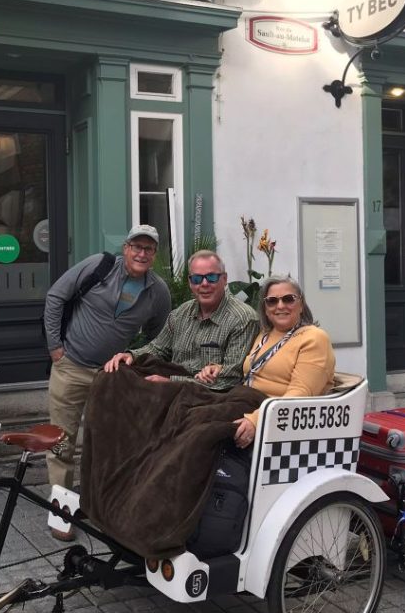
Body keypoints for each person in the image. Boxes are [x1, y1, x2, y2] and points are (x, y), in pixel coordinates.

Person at [42, 225, 171, 539]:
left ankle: (99, 506)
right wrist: (55, 346)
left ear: (154, 254)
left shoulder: (158, 292)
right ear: (125, 247)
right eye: (136, 247)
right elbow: (56, 296)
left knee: (106, 442)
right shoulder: (99, 266)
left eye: (148, 249)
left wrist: (135, 359)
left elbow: (159, 336)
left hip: (112, 377)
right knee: (61, 441)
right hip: (71, 367)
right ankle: (61, 513)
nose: (141, 254)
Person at [103, 250, 258, 392]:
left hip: (209, 394)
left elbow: (229, 378)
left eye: (211, 277)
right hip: (173, 384)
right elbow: (158, 349)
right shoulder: (180, 314)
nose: (204, 284)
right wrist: (131, 355)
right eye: (197, 279)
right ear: (190, 283)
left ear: (224, 279)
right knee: (112, 375)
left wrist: (172, 382)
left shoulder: (242, 319)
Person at [231, 275, 335, 448]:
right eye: (272, 301)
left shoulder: (314, 338)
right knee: (185, 401)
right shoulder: (265, 335)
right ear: (265, 308)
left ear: (301, 305)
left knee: (200, 428)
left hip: (279, 418)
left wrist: (256, 421)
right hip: (245, 400)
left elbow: (300, 395)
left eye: (288, 299)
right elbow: (253, 370)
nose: (280, 306)